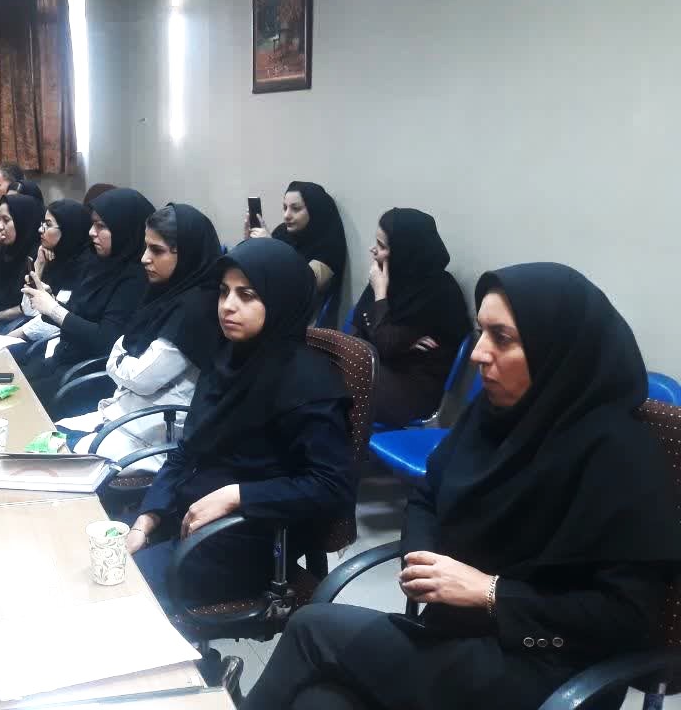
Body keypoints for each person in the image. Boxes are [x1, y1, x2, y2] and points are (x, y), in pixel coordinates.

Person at [243, 263, 681, 710]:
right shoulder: (494, 415)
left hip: (546, 667)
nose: (478, 353)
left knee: (312, 630)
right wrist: (423, 560)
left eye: (502, 338)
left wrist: (491, 593)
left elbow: (625, 618)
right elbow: (426, 494)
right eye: (481, 333)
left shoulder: (619, 456)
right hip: (458, 635)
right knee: (321, 701)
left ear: (557, 350)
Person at [124, 238, 353, 619]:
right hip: (186, 516)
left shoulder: (308, 384)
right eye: (224, 291)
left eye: (247, 295)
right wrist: (147, 519)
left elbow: (331, 487)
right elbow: (187, 450)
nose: (228, 306)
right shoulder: (228, 359)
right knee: (93, 554)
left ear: (280, 300)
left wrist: (237, 496)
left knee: (117, 592)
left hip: (246, 538)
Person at [55, 203, 223, 471]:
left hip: (152, 435)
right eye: (146, 247)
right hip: (125, 415)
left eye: (157, 250)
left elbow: (141, 378)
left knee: (55, 460)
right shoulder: (166, 293)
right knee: (50, 436)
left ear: (187, 254)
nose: (144, 258)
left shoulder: (196, 310)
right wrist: (121, 355)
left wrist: (117, 356)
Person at [20, 187, 154, 417]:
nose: (92, 232)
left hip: (88, 377)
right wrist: (49, 301)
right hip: (64, 359)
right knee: (8, 380)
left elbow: (106, 339)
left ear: (124, 229)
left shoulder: (136, 277)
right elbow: (78, 315)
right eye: (92, 224)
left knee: (19, 405)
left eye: (101, 226)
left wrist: (54, 310)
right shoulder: (97, 263)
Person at [351, 207, 470, 426]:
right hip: (382, 368)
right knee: (323, 367)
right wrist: (397, 342)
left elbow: (384, 343)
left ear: (404, 251)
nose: (373, 250)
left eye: (382, 246)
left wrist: (380, 294)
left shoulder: (439, 293)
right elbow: (360, 328)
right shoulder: (393, 277)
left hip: (414, 387)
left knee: (335, 384)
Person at [245, 181, 346, 320]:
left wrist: (271, 248)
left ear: (314, 210)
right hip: (267, 304)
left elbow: (303, 285)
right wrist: (249, 246)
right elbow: (262, 270)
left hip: (297, 318)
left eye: (296, 208)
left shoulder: (328, 245)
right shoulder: (283, 232)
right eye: (284, 207)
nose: (286, 215)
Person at [8, 199, 95, 341]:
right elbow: (29, 310)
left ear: (68, 229)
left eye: (48, 225)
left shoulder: (85, 266)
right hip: (37, 335)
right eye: (42, 223)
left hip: (58, 341)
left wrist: (10, 338)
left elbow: (59, 316)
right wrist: (39, 265)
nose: (40, 230)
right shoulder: (54, 256)